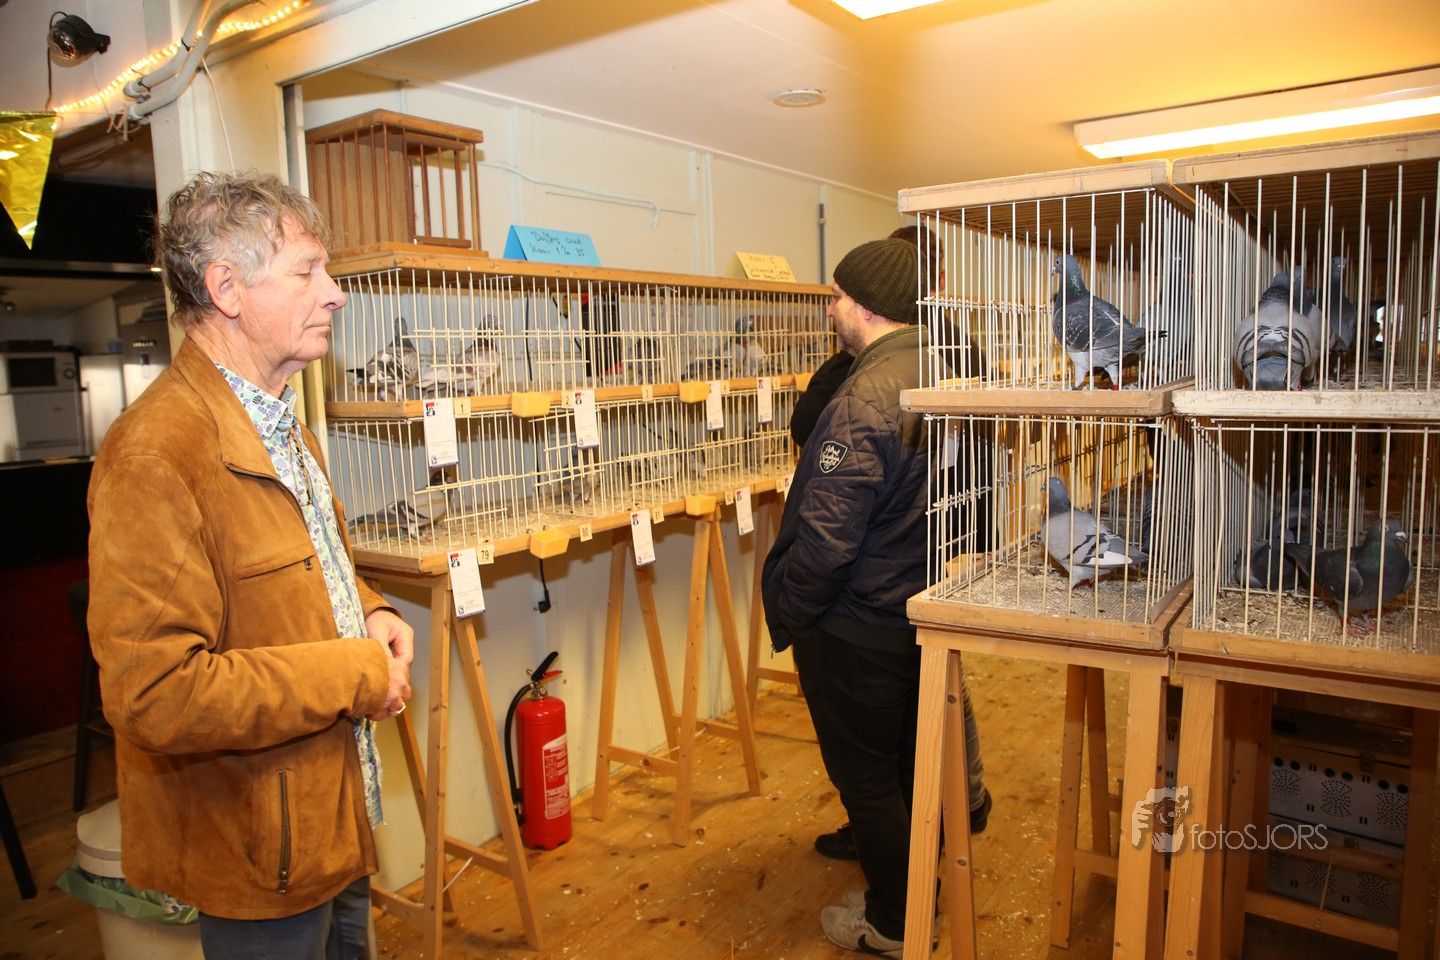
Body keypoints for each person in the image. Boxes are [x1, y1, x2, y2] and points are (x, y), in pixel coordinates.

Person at [87, 171, 414, 960]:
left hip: (332, 811)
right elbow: (155, 695)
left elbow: (298, 569)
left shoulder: (280, 423)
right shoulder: (155, 454)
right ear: (226, 288)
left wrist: (369, 607)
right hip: (260, 846)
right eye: (307, 272)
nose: (335, 294)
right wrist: (355, 672)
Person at [762, 237, 989, 957]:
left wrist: (796, 615)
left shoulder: (865, 397)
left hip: (856, 621)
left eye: (836, 296)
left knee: (866, 780)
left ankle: (894, 923)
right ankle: (918, 894)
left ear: (864, 306)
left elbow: (827, 541)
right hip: (915, 601)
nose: (831, 308)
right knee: (906, 765)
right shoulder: (947, 368)